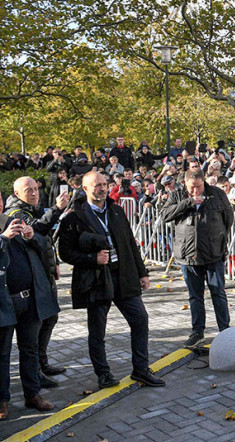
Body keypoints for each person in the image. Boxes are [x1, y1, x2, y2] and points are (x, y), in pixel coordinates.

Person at [58, 172, 164, 389]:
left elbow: (130, 244)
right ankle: (103, 374)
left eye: (105, 184)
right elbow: (65, 253)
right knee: (97, 330)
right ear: (85, 189)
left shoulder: (116, 210)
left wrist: (142, 272)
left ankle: (141, 370)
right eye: (97, 185)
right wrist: (92, 259)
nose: (102, 189)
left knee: (140, 319)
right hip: (96, 279)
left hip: (123, 276)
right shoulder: (74, 217)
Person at [5, 177, 70, 384]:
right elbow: (38, 232)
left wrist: (55, 263)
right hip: (32, 280)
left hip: (44, 273)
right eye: (28, 190)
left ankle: (42, 364)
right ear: (17, 194)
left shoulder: (33, 209)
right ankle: (37, 372)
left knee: (50, 318)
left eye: (35, 189)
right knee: (38, 325)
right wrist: (57, 209)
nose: (34, 193)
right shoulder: (16, 214)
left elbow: (46, 241)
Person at [161, 170, 235, 347]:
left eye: (199, 187)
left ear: (204, 182)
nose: (196, 191)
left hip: (213, 253)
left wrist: (218, 237)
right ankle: (197, 331)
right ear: (185, 183)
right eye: (192, 187)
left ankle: (225, 329)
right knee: (195, 296)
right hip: (188, 254)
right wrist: (188, 203)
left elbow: (228, 218)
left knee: (218, 292)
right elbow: (165, 215)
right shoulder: (177, 195)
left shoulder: (216, 194)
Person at [0, 196, 59, 418]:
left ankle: (32, 394)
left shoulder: (13, 220)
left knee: (30, 349)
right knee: (2, 354)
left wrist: (31, 236)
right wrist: (4, 238)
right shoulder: (5, 231)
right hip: (4, 302)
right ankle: (2, 401)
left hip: (29, 299)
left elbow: (43, 245)